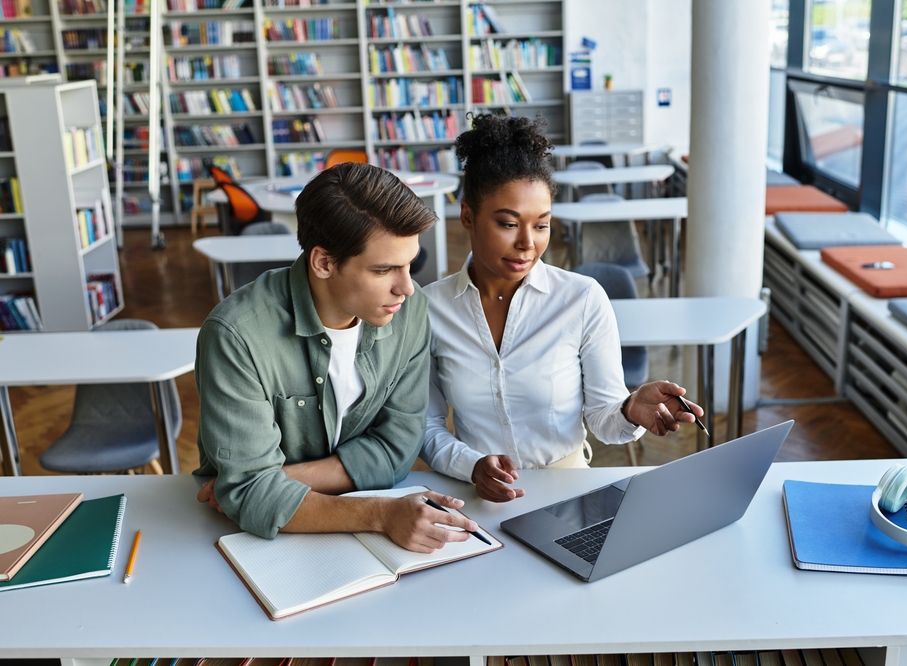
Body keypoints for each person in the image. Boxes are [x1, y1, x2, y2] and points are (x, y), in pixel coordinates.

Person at [195, 163, 478, 553]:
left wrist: (269, 484)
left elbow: (398, 449)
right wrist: (380, 515)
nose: (407, 287)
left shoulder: (410, 312)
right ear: (324, 263)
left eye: (410, 263)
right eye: (384, 270)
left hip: (312, 525)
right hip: (247, 542)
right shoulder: (235, 335)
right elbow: (248, 494)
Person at [420, 114, 705, 503]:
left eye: (541, 225)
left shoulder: (582, 299)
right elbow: (427, 426)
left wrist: (630, 408)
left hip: (569, 494)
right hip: (477, 497)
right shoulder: (429, 309)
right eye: (508, 224)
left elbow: (605, 419)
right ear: (467, 216)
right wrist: (470, 464)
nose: (527, 244)